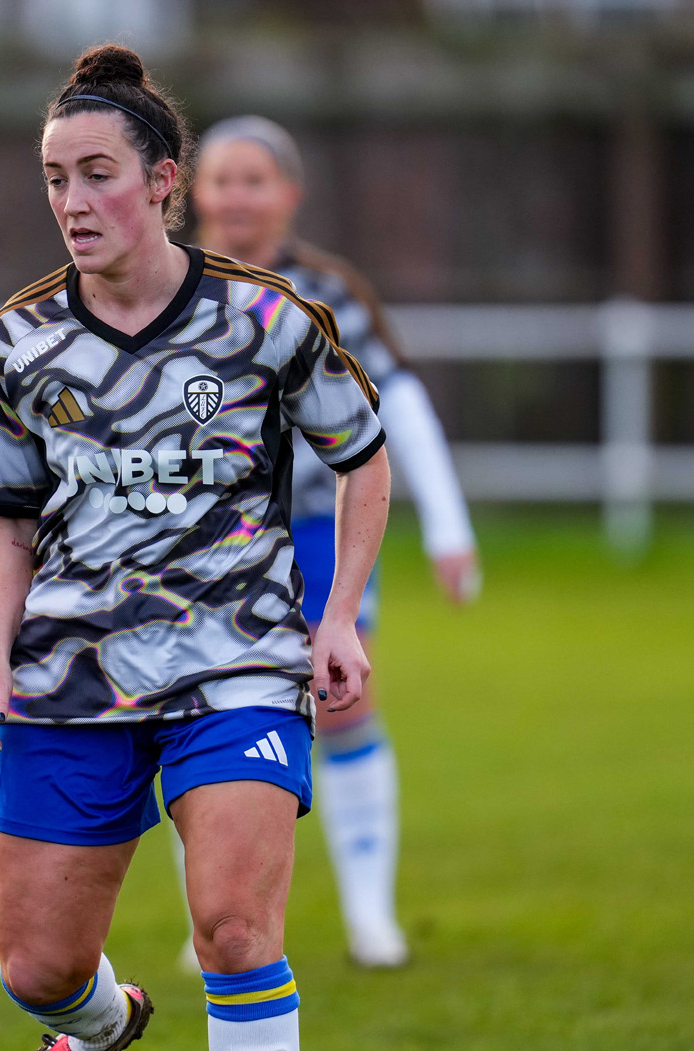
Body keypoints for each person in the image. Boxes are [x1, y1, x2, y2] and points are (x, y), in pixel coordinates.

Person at [0, 44, 390, 1051]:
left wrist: (335, 621)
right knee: (36, 967)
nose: (73, 199)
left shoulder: (266, 319)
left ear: (161, 183)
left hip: (235, 661)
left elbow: (364, 461)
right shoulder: (20, 340)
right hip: (73, 669)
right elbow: (9, 519)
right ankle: (102, 1027)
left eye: (97, 172)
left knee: (235, 930)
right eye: (56, 178)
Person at [171, 113, 482, 970]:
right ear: (190, 190)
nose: (236, 197)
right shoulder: (167, 287)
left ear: (289, 194)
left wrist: (448, 527)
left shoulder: (328, 293)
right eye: (222, 179)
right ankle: (214, 921)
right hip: (197, 536)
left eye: (254, 179)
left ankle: (369, 917)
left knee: (341, 702)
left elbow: (400, 404)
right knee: (196, 714)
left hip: (315, 527)